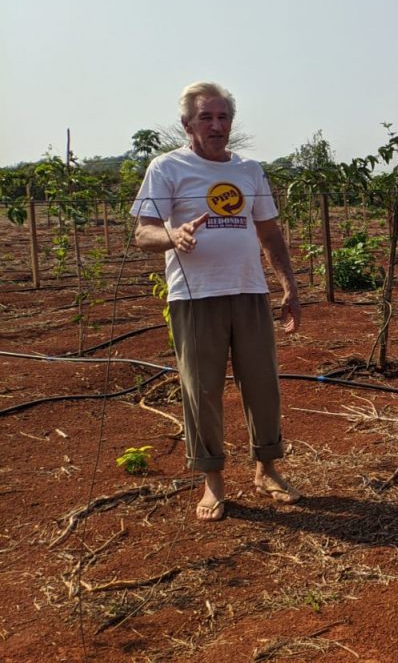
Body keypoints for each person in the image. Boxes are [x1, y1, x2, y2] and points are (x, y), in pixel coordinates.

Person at [131, 81, 303, 523]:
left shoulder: (249, 170)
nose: (216, 124)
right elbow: (142, 232)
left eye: (223, 116)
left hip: (248, 291)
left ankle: (266, 467)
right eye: (206, 117)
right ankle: (213, 480)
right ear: (187, 124)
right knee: (201, 390)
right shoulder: (166, 168)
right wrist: (173, 235)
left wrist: (289, 286)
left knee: (262, 383)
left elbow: (269, 234)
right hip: (195, 296)